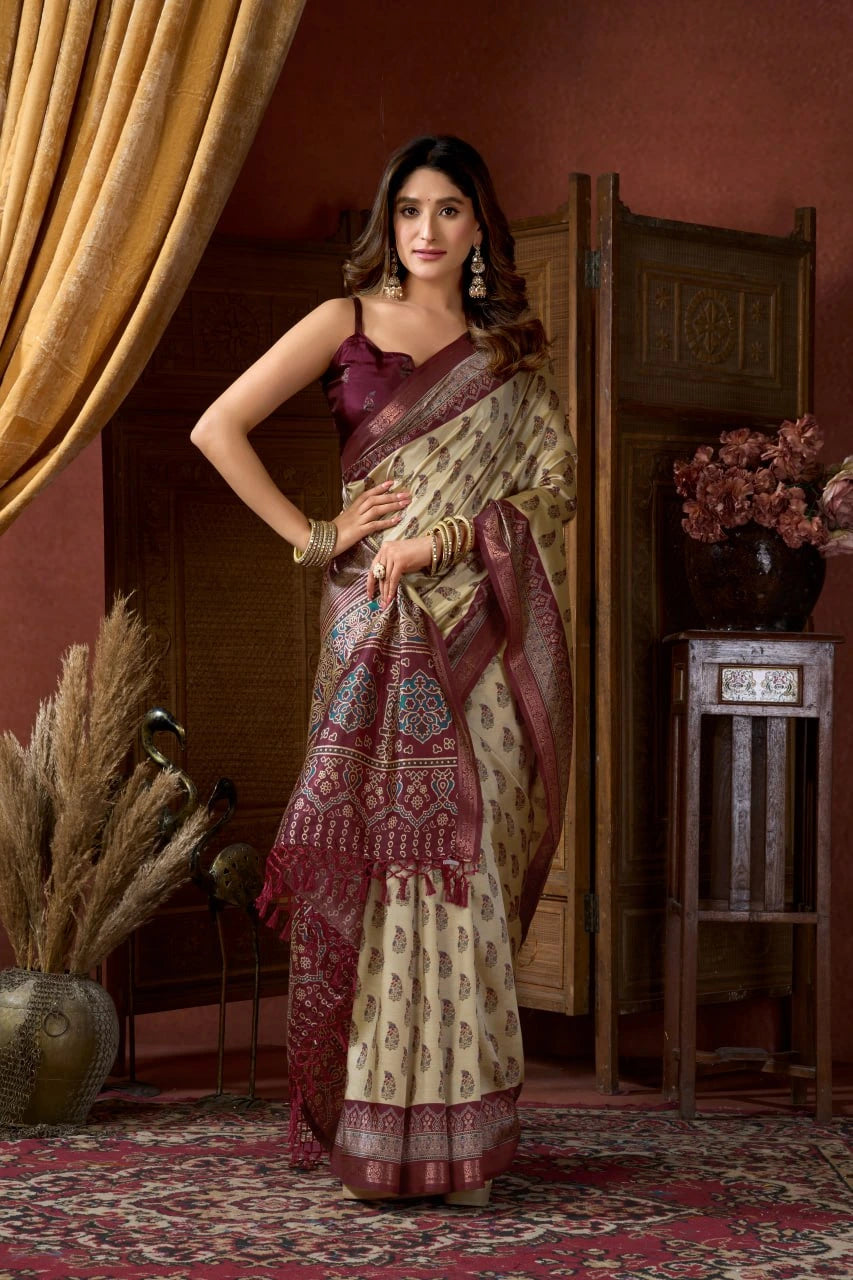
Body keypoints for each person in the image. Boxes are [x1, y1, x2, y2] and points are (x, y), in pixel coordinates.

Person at [191, 135, 577, 1205]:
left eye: (449, 208)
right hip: (372, 622)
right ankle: (380, 1127)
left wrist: (448, 539)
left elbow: (553, 489)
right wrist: (319, 536)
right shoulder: (344, 320)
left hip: (480, 633)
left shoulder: (508, 354)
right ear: (387, 219)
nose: (426, 229)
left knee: (461, 863)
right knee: (385, 861)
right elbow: (217, 427)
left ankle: (463, 1142)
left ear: (479, 226)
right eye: (409, 208)